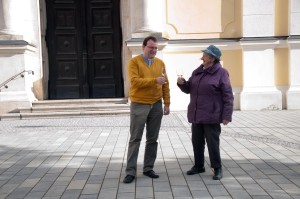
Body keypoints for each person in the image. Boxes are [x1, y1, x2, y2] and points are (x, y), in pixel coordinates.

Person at [177, 45, 233, 180]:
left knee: (212, 143)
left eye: (206, 55)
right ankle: (199, 166)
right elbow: (189, 88)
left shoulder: (221, 73)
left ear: (212, 58)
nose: (203, 56)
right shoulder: (198, 71)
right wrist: (182, 83)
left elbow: (228, 95)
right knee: (197, 142)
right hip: (196, 114)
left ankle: (217, 168)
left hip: (212, 115)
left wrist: (227, 115)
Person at [123, 36, 170, 183]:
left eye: (156, 47)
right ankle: (130, 171)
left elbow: (165, 85)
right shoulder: (134, 62)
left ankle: (148, 168)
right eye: (151, 47)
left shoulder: (160, 63)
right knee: (135, 139)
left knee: (152, 139)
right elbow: (135, 81)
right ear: (143, 47)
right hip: (139, 104)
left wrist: (167, 103)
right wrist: (154, 81)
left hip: (156, 104)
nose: (154, 50)